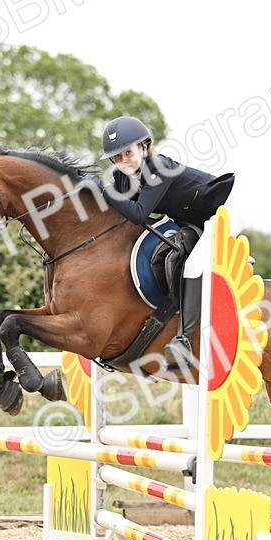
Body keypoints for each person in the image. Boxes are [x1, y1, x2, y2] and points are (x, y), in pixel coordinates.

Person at [99, 115, 235, 366]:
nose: (122, 161)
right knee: (167, 257)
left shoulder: (157, 167)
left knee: (192, 265)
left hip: (222, 211)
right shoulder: (123, 176)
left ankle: (184, 339)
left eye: (127, 153)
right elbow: (115, 215)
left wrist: (103, 189)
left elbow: (139, 214)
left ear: (143, 146)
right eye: (116, 158)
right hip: (191, 221)